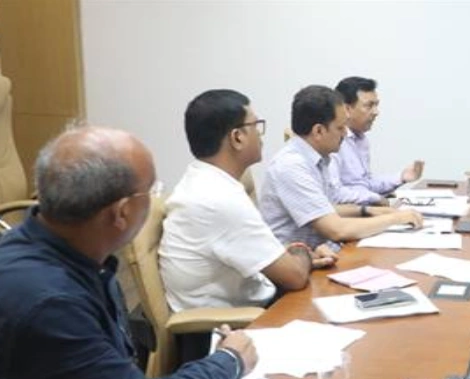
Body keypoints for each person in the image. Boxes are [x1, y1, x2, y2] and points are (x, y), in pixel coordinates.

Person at [0, 126, 257, 379]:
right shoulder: (50, 304)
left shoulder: (69, 254)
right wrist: (229, 361)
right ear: (121, 213)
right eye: (150, 191)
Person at [161, 89, 336, 312]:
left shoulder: (205, 180)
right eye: (256, 126)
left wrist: (299, 255)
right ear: (237, 137)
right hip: (228, 324)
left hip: (252, 297)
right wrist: (302, 250)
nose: (261, 135)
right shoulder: (219, 199)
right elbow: (295, 277)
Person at [259, 85, 422, 248]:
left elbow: (324, 208)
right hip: (296, 261)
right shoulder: (292, 166)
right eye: (340, 127)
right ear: (318, 131)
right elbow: (336, 230)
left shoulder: (318, 158)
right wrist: (395, 219)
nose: (345, 133)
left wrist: (368, 211)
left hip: (321, 252)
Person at [333, 76, 423, 204]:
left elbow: (365, 184)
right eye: (369, 106)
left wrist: (402, 176)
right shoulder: (332, 141)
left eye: (376, 105)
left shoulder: (360, 139)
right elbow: (335, 194)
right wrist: (375, 198)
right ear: (346, 109)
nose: (376, 112)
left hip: (362, 208)